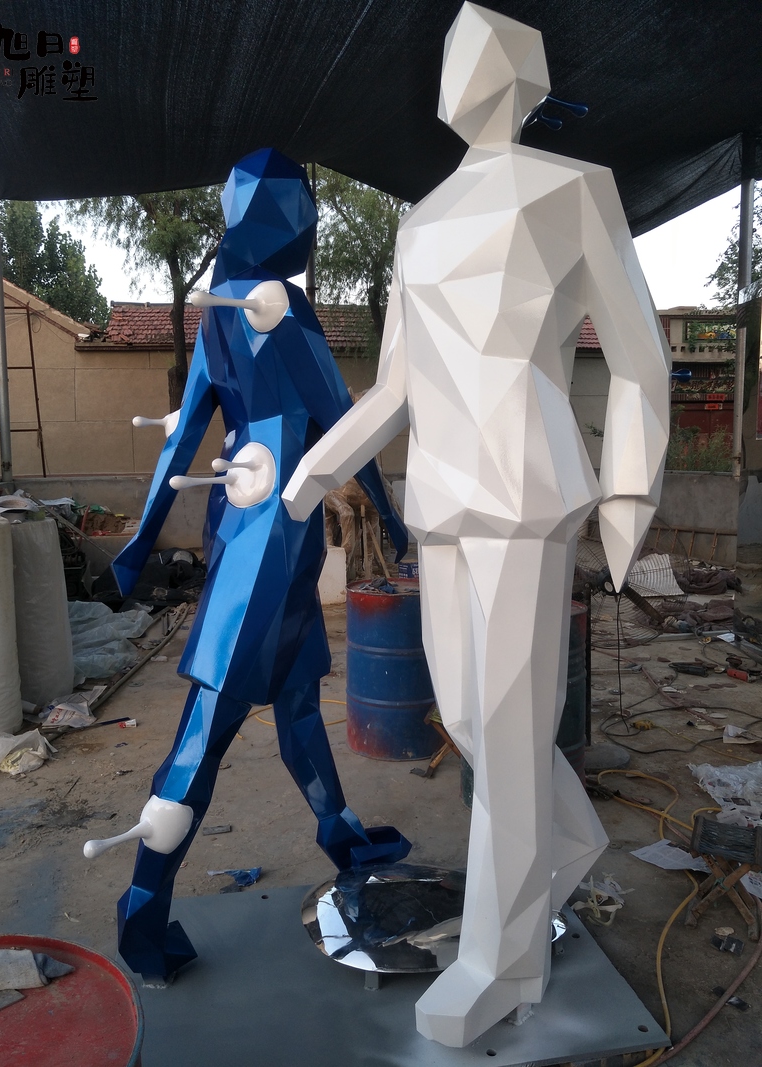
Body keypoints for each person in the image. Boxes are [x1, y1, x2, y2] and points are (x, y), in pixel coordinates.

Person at [284, 3, 670, 1047]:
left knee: (504, 728)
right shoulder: (420, 222)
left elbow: (638, 354)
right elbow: (396, 386)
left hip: (526, 489)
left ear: (527, 74)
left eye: (486, 46)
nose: (467, 62)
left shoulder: (574, 189)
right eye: (456, 52)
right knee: (468, 714)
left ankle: (503, 963)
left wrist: (629, 492)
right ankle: (567, 840)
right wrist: (318, 464)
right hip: (443, 496)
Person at [84, 147, 410, 982]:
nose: (308, 224)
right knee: (210, 722)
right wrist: (388, 509)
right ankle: (141, 905)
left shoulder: (221, 315)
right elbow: (344, 421)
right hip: (274, 538)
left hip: (251, 528)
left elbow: (183, 437)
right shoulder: (283, 311)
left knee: (297, 699)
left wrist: (139, 541)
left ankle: (343, 837)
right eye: (301, 208)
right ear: (285, 218)